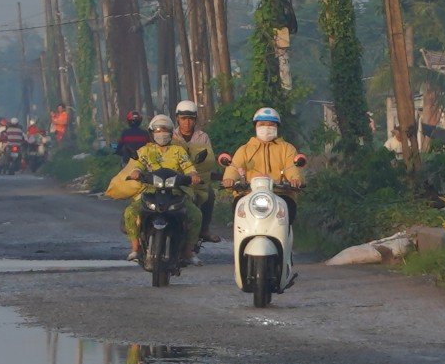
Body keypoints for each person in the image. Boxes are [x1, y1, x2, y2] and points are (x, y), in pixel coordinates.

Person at [105, 114, 203, 261]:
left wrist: (193, 174)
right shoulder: (145, 151)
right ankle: (135, 248)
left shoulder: (178, 151)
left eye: (164, 130)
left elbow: (188, 167)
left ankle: (188, 251)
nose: (161, 134)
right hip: (150, 191)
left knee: (195, 215)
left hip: (176, 192)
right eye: (157, 130)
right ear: (151, 133)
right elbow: (137, 165)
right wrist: (136, 172)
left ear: (171, 133)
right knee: (130, 213)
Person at [221, 106, 305, 219]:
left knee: (288, 209)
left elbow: (292, 168)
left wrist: (295, 179)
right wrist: (229, 179)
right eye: (262, 124)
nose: (266, 127)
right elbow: (234, 167)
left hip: (280, 195)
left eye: (271, 124)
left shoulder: (287, 149)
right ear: (255, 126)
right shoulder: (244, 150)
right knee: (239, 209)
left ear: (277, 127)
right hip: (248, 195)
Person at [171, 99, 220, 242]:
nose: (187, 123)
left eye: (190, 119)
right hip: (174, 179)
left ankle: (204, 229)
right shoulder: (171, 136)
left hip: (197, 179)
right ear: (177, 119)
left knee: (209, 195)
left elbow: (208, 158)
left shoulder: (203, 137)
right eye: (183, 119)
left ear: (195, 120)